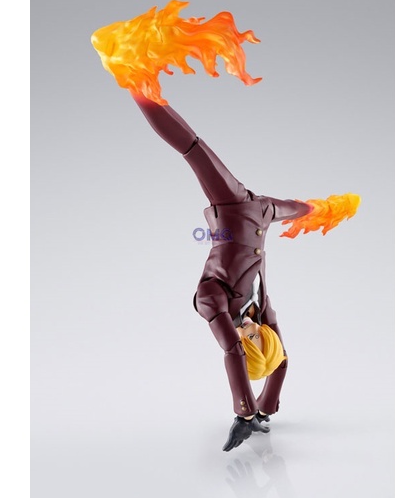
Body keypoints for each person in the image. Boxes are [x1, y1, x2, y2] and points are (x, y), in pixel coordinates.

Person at [131, 92, 312, 451]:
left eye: (250, 340)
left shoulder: (211, 299)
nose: (253, 331)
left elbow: (232, 351)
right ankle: (141, 88)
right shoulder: (262, 313)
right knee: (298, 208)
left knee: (194, 149)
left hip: (231, 206)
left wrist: (244, 412)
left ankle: (137, 86)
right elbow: (281, 361)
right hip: (262, 211)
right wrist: (264, 408)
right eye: (260, 337)